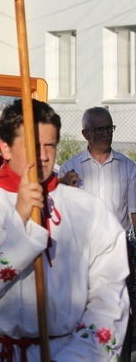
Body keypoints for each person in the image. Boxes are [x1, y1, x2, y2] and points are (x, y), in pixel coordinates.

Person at [0, 99, 129, 360]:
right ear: (6, 149)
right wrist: (19, 220)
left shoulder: (88, 209)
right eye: (32, 146)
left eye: (50, 145)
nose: (44, 155)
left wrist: (76, 356)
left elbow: (109, 297)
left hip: (67, 351)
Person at [59, 106, 136, 355]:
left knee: (120, 313)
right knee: (82, 317)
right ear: (85, 133)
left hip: (119, 251)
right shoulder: (70, 169)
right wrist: (63, 186)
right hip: (82, 255)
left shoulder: (128, 167)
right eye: (99, 129)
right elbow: (62, 214)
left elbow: (134, 214)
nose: (106, 134)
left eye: (109, 128)